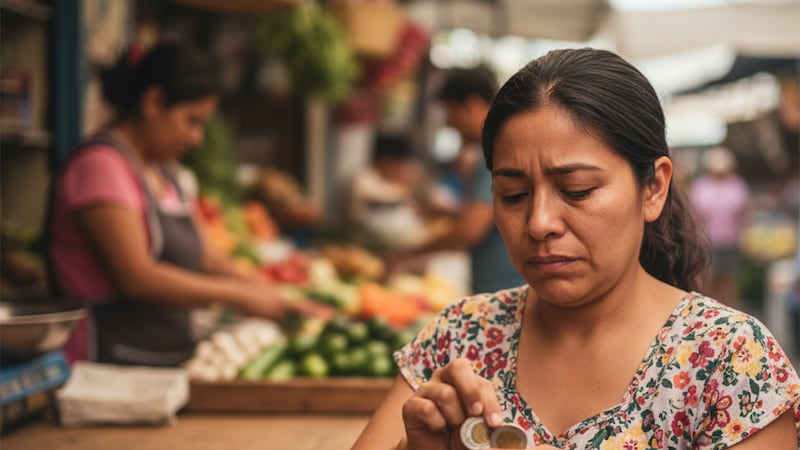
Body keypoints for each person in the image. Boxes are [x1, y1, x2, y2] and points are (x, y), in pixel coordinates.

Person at [352, 48, 800, 449]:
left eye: (578, 190)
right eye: (512, 195)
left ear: (653, 188)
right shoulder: (461, 339)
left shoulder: (729, 359)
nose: (540, 223)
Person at [46, 41, 331, 367]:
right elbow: (137, 277)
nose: (197, 138)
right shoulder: (101, 166)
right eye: (192, 120)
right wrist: (238, 296)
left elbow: (205, 255)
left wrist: (272, 293)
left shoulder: (164, 172)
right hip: (105, 368)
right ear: (154, 102)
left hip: (156, 362)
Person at [386, 67, 525, 294]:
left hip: (503, 288)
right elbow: (491, 213)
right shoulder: (503, 145)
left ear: (470, 105)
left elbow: (471, 229)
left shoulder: (493, 151)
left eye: (451, 112)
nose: (450, 124)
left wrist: (409, 254)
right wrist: (449, 213)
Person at [689, 146, 750, 307]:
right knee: (709, 279)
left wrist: (743, 233)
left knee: (729, 280)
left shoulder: (737, 185)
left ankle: (731, 311)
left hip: (731, 240)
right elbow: (695, 214)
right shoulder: (702, 186)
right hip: (708, 241)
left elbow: (743, 213)